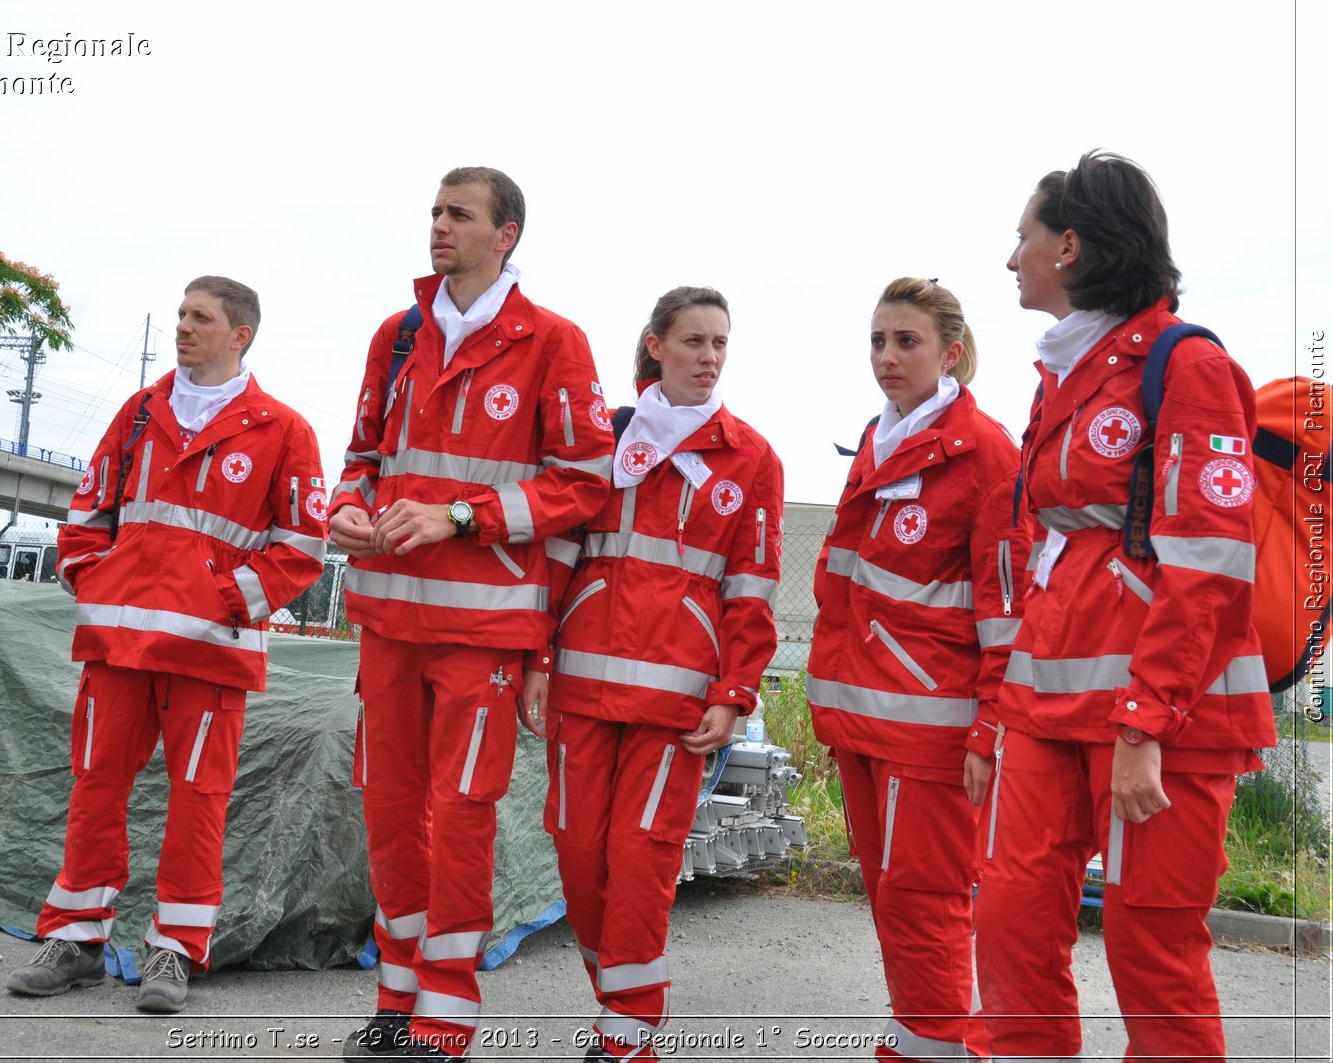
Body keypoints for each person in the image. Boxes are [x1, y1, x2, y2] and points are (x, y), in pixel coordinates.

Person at [975, 151, 1276, 1060]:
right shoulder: (1059, 371)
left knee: (1151, 947)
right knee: (1011, 917)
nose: (1008, 258)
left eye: (1020, 238)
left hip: (1165, 715)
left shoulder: (1187, 364)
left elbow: (1212, 564)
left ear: (1068, 246)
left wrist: (1145, 721)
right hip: (1047, 702)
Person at [328, 167, 612, 1060]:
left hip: (483, 627)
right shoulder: (398, 333)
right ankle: (396, 994)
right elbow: (364, 452)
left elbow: (586, 483)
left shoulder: (555, 343)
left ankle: (446, 1016)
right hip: (386, 621)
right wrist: (344, 507)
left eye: (460, 214)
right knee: (387, 811)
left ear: (508, 234)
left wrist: (461, 517)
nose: (440, 227)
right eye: (435, 212)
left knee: (461, 816)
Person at [5, 276, 328, 1013]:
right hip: (116, 643)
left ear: (239, 332)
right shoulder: (139, 412)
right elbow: (89, 509)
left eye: (199, 317)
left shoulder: (283, 428)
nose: (183, 327)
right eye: (181, 314)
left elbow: (301, 544)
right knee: (95, 787)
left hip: (211, 651)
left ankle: (174, 951)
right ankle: (76, 939)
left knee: (200, 802)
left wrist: (223, 599)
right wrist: (94, 576)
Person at [524, 286, 784, 1063]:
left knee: (641, 858)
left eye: (720, 345)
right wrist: (537, 658)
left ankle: (628, 1033)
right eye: (695, 341)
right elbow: (557, 557)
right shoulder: (604, 440)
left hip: (676, 699)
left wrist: (734, 693)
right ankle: (620, 998)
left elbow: (753, 590)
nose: (709, 358)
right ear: (655, 345)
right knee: (577, 852)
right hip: (580, 686)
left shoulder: (753, 457)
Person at [806, 277, 1030, 1059]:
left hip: (931, 729)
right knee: (890, 900)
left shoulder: (987, 453)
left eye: (907, 341)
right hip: (863, 719)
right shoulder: (878, 439)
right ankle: (925, 1038)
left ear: (953, 353)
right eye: (877, 340)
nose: (888, 356)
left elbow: (1008, 612)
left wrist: (989, 730)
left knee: (925, 900)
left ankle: (935, 1043)